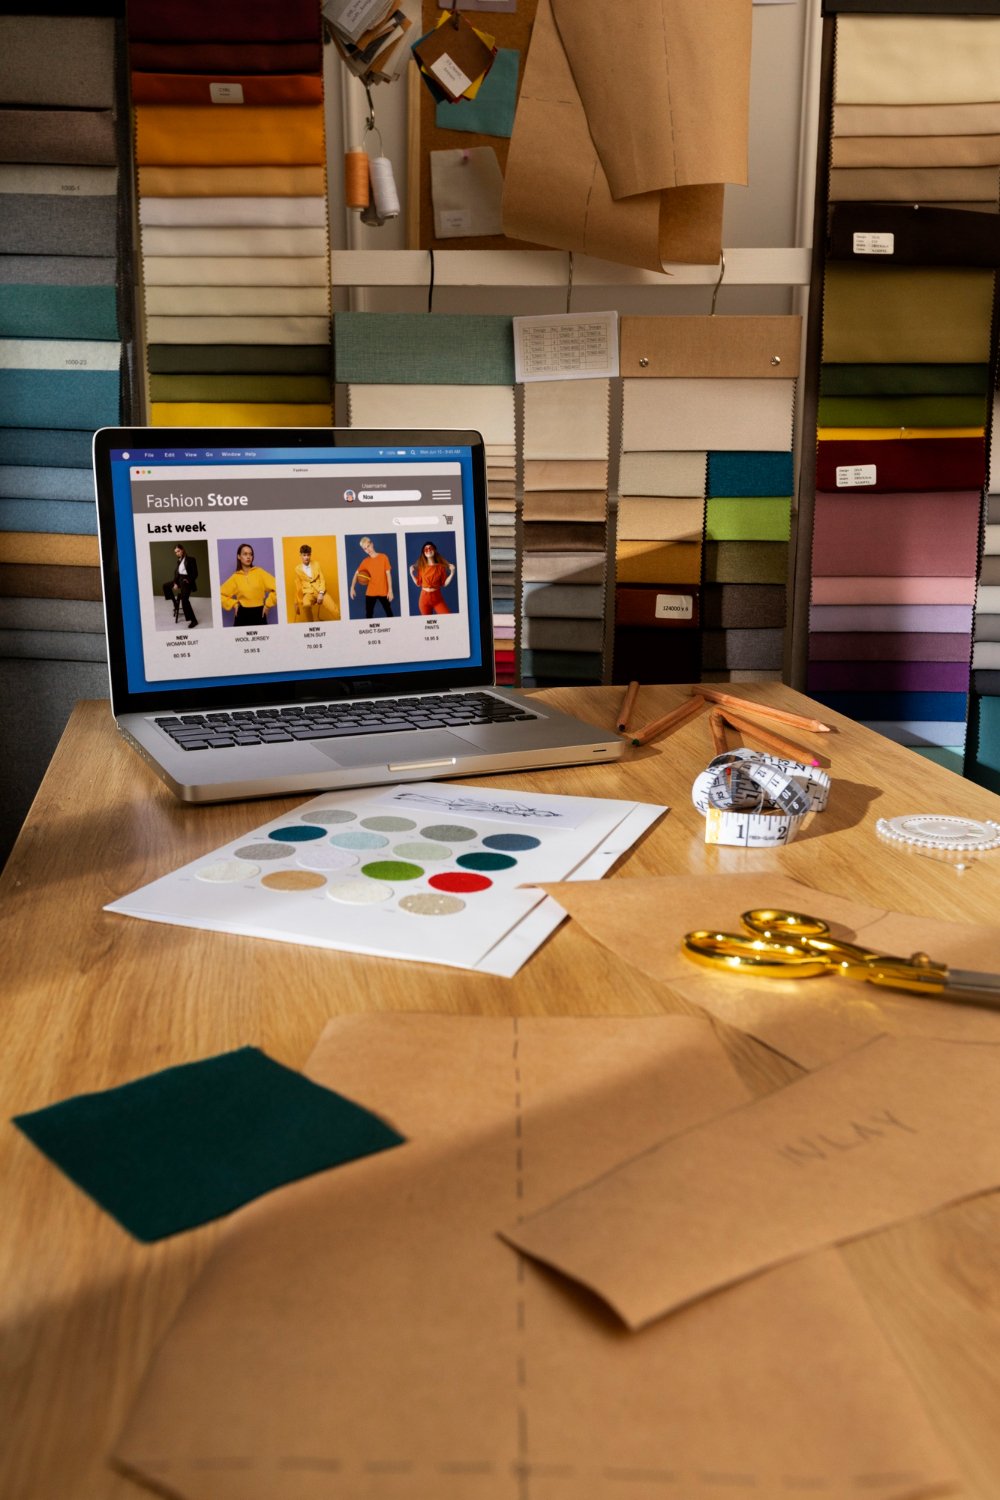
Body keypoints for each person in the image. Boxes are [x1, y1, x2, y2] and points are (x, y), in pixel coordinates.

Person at [219, 543, 277, 626]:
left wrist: (268, 605)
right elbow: (219, 595)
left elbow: (278, 587)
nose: (248, 557)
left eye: (250, 554)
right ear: (239, 556)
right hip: (242, 614)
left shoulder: (260, 572)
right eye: (245, 554)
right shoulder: (235, 577)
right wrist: (234, 604)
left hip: (259, 613)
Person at [349, 535, 394, 618]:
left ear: (372, 544)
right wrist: (352, 587)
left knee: (389, 613)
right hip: (370, 592)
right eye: (365, 549)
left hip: (383, 591)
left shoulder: (383, 557)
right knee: (369, 615)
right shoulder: (365, 562)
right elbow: (356, 574)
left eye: (368, 546)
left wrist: (390, 590)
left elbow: (388, 575)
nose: (368, 550)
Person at [409, 541, 455, 616]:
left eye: (430, 548)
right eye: (426, 549)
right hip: (424, 600)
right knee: (427, 622)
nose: (428, 550)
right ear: (424, 553)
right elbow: (418, 583)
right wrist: (411, 574)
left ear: (434, 550)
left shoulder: (440, 567)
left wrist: (452, 573)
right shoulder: (422, 567)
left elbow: (444, 583)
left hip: (437, 598)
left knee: (447, 617)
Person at [161, 543, 198, 628]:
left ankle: (194, 620)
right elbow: (177, 574)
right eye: (175, 552)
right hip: (179, 580)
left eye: (178, 551)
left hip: (186, 581)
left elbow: (195, 573)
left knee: (185, 600)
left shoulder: (191, 559)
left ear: (182, 550)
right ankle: (175, 604)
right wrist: (175, 583)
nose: (177, 553)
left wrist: (188, 580)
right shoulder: (179, 561)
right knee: (165, 586)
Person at [293, 543, 326, 623]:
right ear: (300, 555)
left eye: (308, 555)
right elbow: (298, 585)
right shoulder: (297, 569)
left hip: (320, 590)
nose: (306, 557)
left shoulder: (316, 564)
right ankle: (311, 625)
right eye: (304, 555)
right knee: (306, 605)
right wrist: (296, 602)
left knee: (335, 610)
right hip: (308, 593)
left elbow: (322, 579)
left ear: (310, 555)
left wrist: (321, 593)